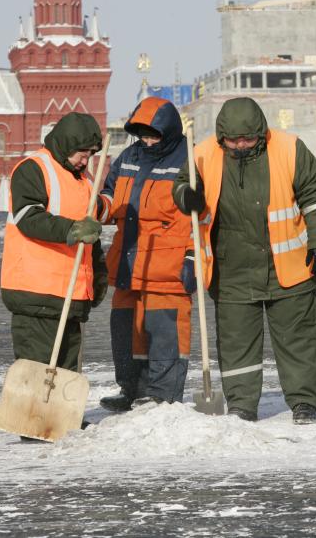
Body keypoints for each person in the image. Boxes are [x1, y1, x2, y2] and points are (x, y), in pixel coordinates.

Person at [173, 97, 316, 425]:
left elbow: (315, 197)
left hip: (287, 268)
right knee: (236, 344)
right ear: (222, 137)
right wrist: (185, 196)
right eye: (233, 140)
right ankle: (241, 405)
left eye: (247, 139)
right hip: (230, 268)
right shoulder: (203, 154)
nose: (240, 146)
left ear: (261, 133)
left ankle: (303, 403)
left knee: (297, 341)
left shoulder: (290, 149)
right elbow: (180, 187)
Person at [98, 97, 195, 411]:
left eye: (153, 133)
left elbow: (200, 217)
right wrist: (99, 207)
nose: (147, 139)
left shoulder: (188, 160)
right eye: (141, 133)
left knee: (165, 332)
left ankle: (163, 395)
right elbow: (111, 197)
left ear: (168, 131)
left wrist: (194, 257)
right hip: (128, 260)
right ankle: (131, 389)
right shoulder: (128, 156)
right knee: (126, 331)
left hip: (166, 264)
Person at [1, 112, 108, 386]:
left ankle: (61, 424)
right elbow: (29, 217)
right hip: (37, 291)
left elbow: (95, 216)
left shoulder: (82, 180)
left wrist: (96, 279)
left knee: (67, 370)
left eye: (91, 154)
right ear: (65, 144)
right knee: (37, 370)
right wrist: (72, 229)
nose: (86, 160)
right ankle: (33, 427)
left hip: (70, 292)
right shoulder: (34, 168)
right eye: (81, 153)